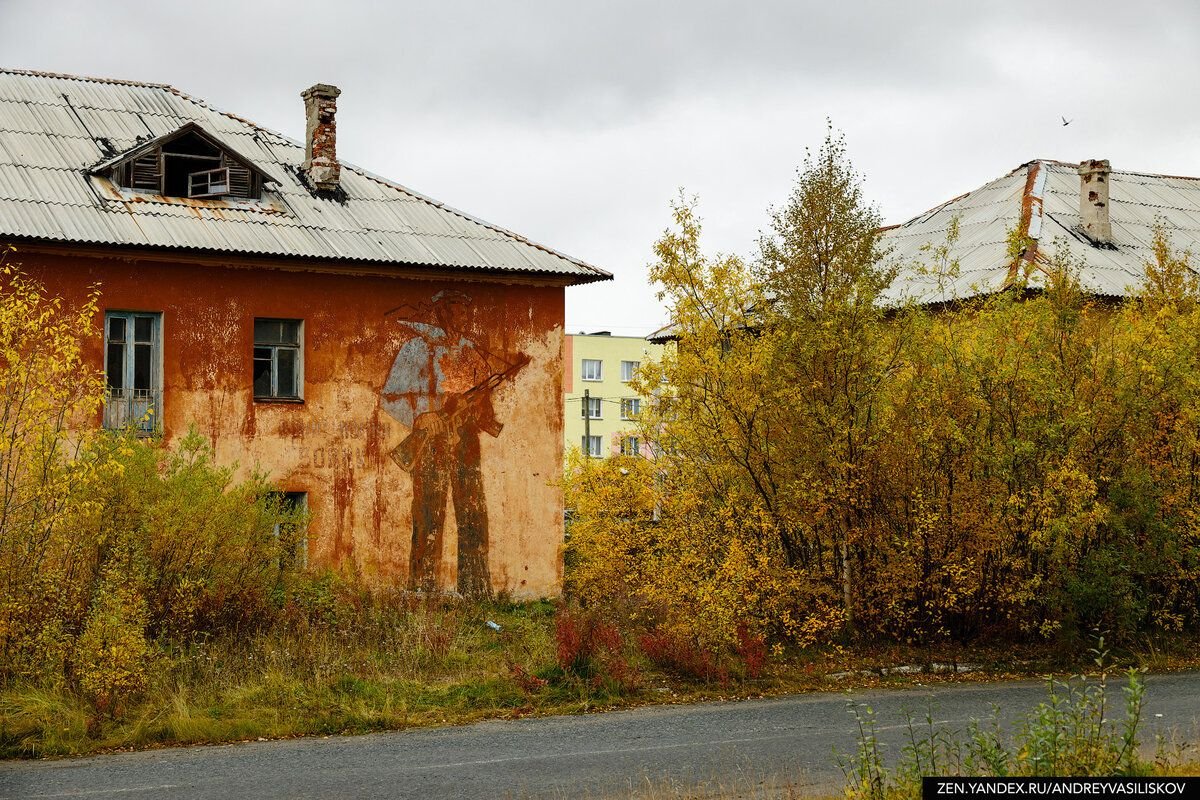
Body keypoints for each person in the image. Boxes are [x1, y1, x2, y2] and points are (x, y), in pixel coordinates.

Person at [381, 290, 527, 596]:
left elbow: (484, 399)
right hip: (431, 440)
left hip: (466, 440)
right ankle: (423, 587)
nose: (463, 316)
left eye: (465, 309)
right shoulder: (414, 349)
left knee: (473, 511)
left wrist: (477, 405)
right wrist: (421, 416)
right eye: (456, 309)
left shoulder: (471, 351)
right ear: (441, 312)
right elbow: (390, 397)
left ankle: (475, 589)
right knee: (427, 512)